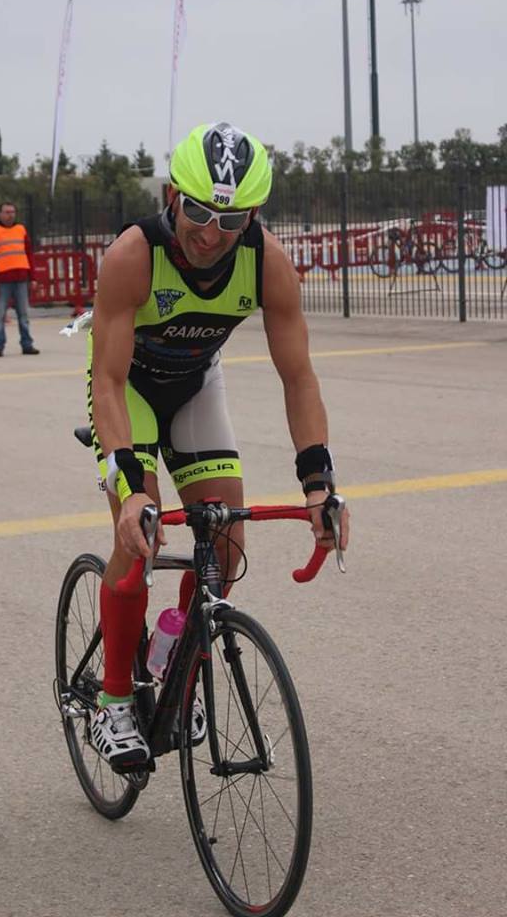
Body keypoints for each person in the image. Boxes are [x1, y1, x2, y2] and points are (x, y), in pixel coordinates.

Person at [87, 121, 350, 769]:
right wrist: (129, 489)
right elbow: (108, 381)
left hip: (196, 387)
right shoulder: (133, 255)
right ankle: (113, 700)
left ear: (253, 215)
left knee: (227, 543)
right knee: (140, 541)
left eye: (230, 220)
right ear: (172, 196)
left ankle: (177, 662)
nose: (210, 233)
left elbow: (299, 378)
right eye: (199, 213)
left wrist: (319, 485)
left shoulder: (267, 261)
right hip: (131, 393)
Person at [0, 202, 40, 357]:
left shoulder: (21, 230)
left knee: (24, 315)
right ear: (0, 214)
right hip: (2, 281)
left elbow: (29, 255)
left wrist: (33, 278)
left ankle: (27, 344)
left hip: (21, 279)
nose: (10, 215)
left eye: (12, 212)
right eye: (7, 212)